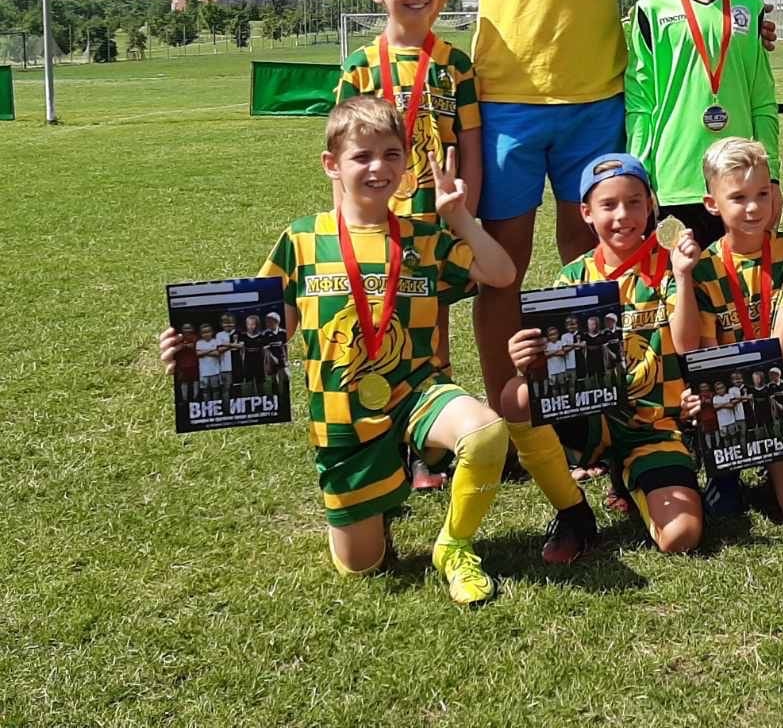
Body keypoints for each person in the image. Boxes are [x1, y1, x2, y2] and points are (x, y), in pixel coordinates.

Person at [428, 0, 776, 435]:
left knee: (598, 257)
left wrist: (731, 17)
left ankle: (600, 404)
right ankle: (515, 419)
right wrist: (407, 53)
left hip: (598, 98)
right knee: (505, 267)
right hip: (505, 101)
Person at [159, 97, 519, 604]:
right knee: (362, 567)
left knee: (485, 433)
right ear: (332, 164)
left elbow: (502, 275)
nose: (380, 168)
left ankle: (454, 545)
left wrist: (459, 218)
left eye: (392, 155)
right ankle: (377, 507)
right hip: (341, 411)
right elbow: (268, 331)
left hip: (417, 390)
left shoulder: (423, 237)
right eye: (362, 156)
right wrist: (197, 351)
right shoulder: (303, 240)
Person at [335, 0, 482, 491]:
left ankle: (428, 449)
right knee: (377, 327)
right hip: (375, 224)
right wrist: (344, 224)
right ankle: (380, 432)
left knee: (432, 333)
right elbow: (343, 154)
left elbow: (470, 145)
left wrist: (468, 213)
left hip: (434, 224)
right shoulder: (360, 66)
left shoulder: (456, 65)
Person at [520, 152, 701, 556]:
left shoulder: (671, 266)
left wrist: (684, 277)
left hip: (653, 424)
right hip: (591, 418)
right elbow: (555, 367)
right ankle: (572, 510)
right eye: (608, 205)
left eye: (635, 202)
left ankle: (629, 474)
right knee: (516, 397)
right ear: (585, 212)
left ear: (651, 205)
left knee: (681, 536)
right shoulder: (573, 277)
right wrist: (528, 358)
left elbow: (689, 347)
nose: (624, 215)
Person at [668, 138, 783, 528]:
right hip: (723, 402)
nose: (754, 207)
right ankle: (721, 460)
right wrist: (682, 277)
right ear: (712, 205)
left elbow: (782, 342)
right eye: (738, 197)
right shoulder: (703, 268)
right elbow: (690, 348)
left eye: (762, 194)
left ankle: (771, 454)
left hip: (781, 397)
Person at [627, 0, 780, 247]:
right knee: (679, 292)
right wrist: (639, 174)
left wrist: (770, 177)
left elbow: (762, 97)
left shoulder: (748, 9)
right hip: (674, 179)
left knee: (734, 290)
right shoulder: (651, 10)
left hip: (740, 184)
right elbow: (640, 101)